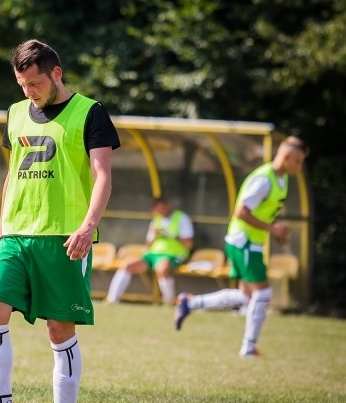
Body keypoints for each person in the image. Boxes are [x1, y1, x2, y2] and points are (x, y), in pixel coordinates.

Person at [0, 39, 119, 403]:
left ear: (56, 74)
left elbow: (103, 175)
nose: (29, 92)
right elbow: (13, 172)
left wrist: (88, 226)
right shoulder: (15, 114)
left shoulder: (91, 112)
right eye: (22, 84)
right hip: (16, 233)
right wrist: (1, 227)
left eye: (35, 83)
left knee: (59, 328)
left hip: (64, 238)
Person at [174, 136, 309, 357]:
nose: (299, 166)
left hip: (249, 241)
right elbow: (242, 212)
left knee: (246, 296)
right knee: (263, 293)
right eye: (298, 161)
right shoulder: (264, 179)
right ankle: (248, 348)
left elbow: (262, 213)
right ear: (285, 157)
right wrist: (273, 229)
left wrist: (275, 231)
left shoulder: (281, 179)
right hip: (244, 241)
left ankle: (190, 302)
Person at [105, 197, 193, 305]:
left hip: (174, 254)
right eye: (157, 210)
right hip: (153, 255)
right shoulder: (156, 220)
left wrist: (171, 235)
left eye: (162, 208)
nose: (160, 212)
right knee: (127, 264)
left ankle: (170, 302)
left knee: (162, 268)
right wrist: (155, 235)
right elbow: (148, 244)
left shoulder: (181, 218)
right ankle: (112, 300)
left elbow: (189, 243)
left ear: (167, 206)